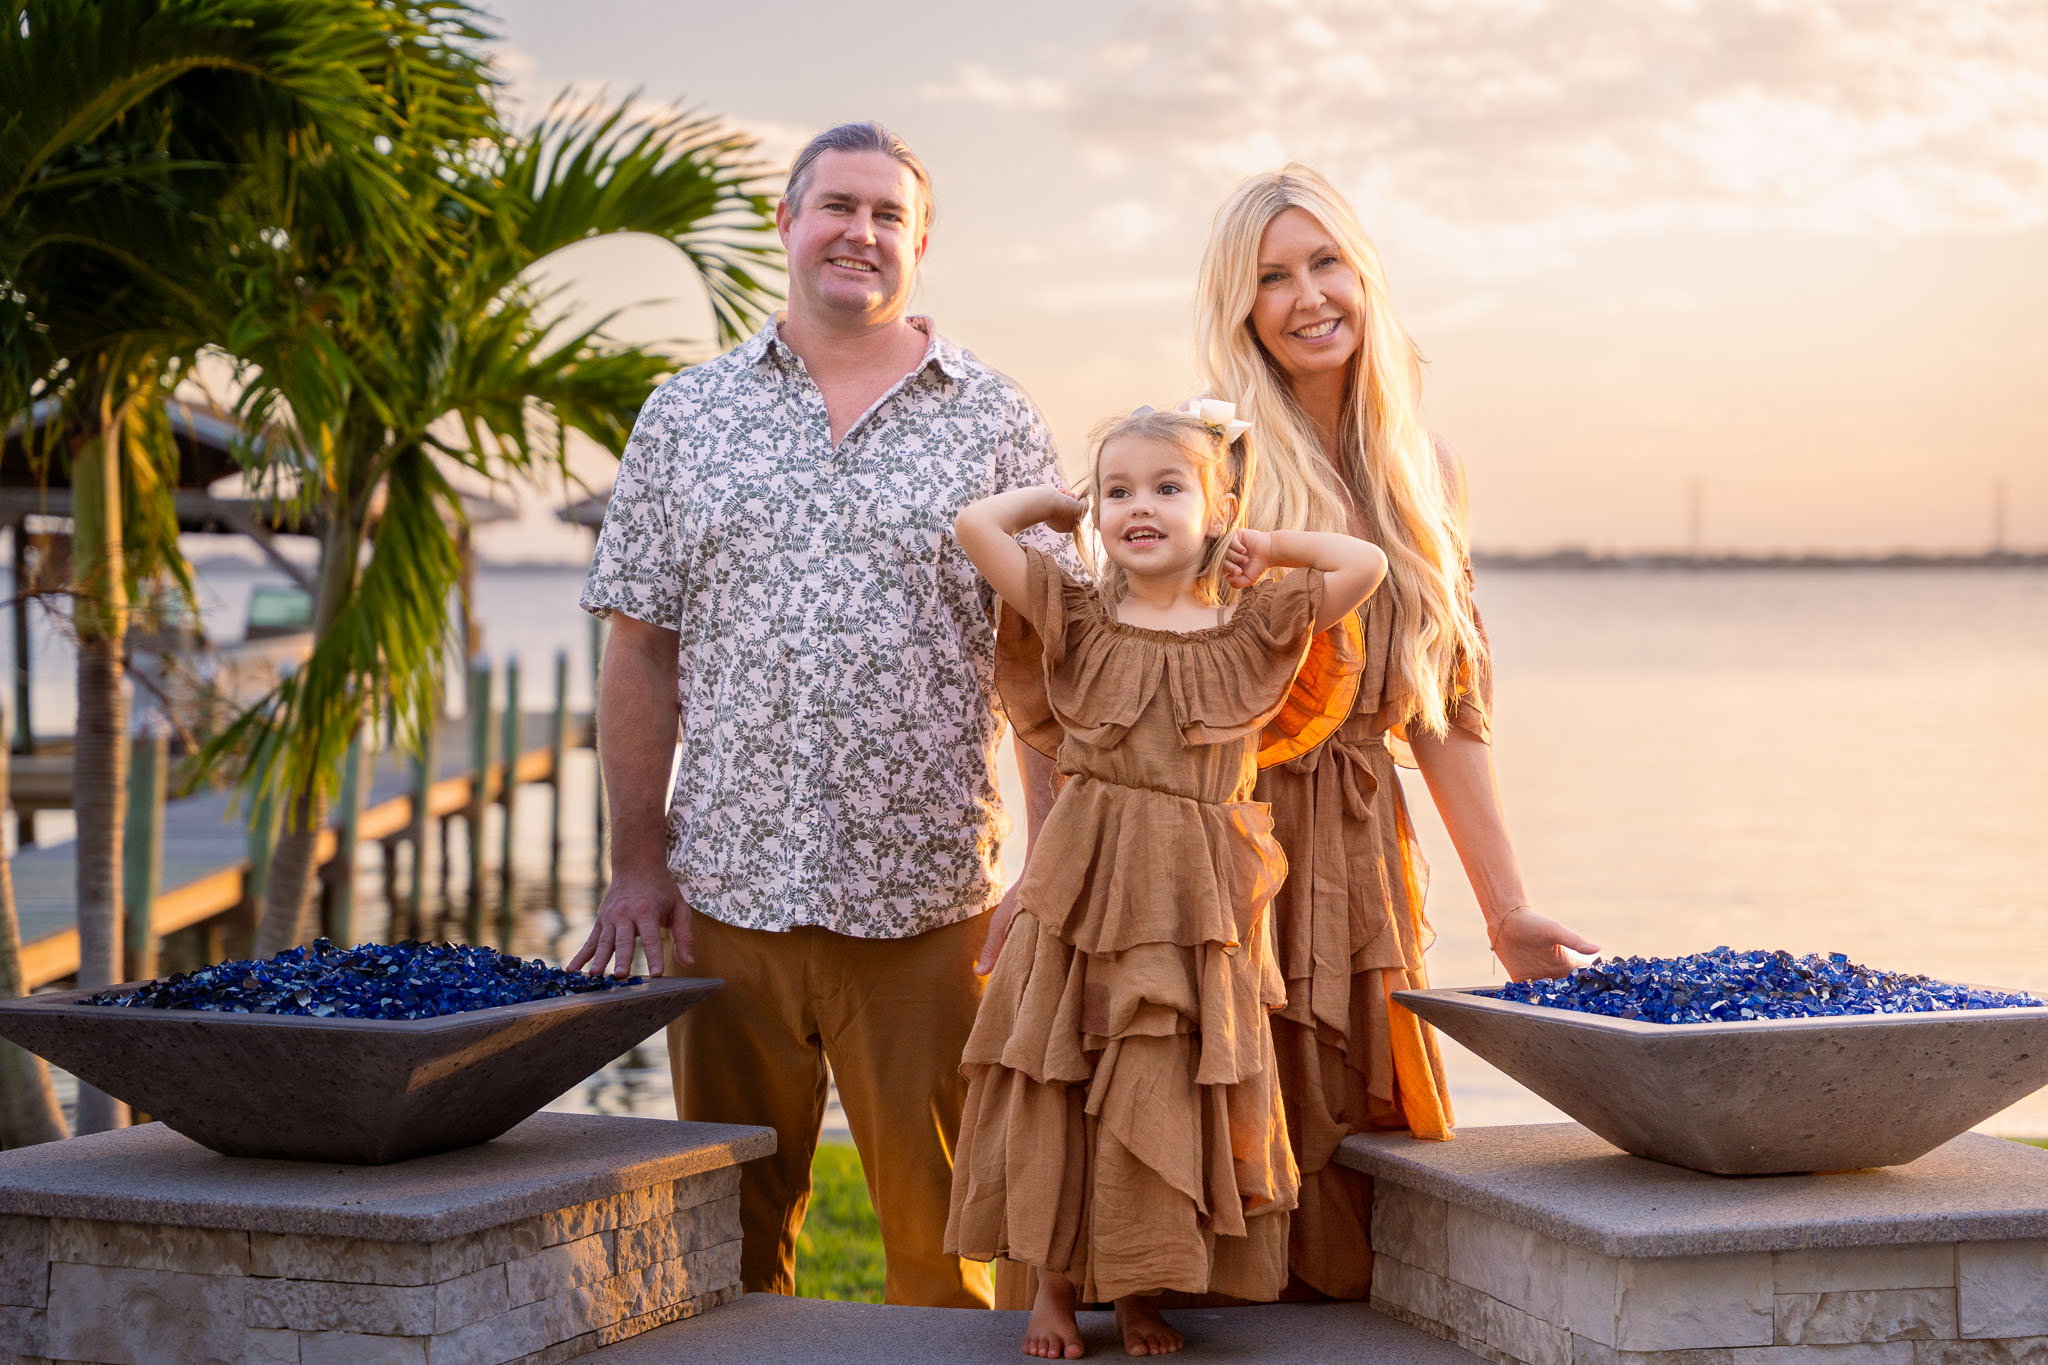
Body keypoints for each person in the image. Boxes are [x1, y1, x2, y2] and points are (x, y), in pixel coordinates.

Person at [572, 121, 1079, 1308]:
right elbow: (640, 653)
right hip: (723, 899)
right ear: (786, 225)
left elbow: (1041, 669)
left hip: (928, 908)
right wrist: (636, 864)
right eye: (836, 206)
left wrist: (1046, 871)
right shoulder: (686, 417)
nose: (860, 232)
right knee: (719, 1256)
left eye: (888, 215)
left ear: (919, 245)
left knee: (948, 1254)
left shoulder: (995, 421)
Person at [1192, 164, 1602, 1300]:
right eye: (1269, 277)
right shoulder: (1209, 466)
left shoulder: (1428, 475)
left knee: (1357, 1156)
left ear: (1364, 279)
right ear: (1239, 309)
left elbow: (1448, 709)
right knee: (1214, 1136)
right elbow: (1118, 677)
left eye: (1325, 263)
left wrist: (1506, 912)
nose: (1305, 295)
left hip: (1364, 858)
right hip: (1217, 845)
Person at [944, 403, 1386, 1358]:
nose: (1138, 505)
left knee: (1167, 1082)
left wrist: (1266, 543)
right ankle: (1054, 1294)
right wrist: (1061, 507)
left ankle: (1143, 1290)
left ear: (1216, 504)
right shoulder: (1076, 610)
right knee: (1067, 1068)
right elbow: (978, 528)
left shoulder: (1252, 622)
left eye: (1167, 486)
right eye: (1119, 490)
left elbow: (1361, 565)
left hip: (1198, 897)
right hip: (1086, 887)